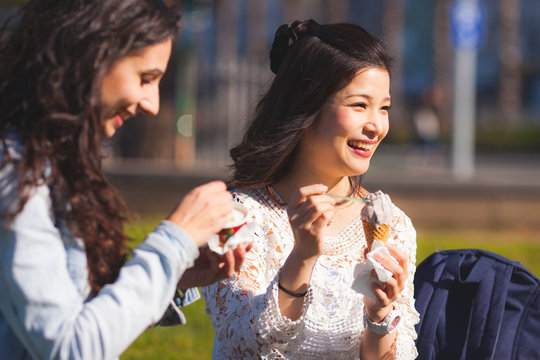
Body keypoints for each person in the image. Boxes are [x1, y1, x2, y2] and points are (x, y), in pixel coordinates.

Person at [0, 1, 247, 358]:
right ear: (91, 55)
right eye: (146, 78)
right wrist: (173, 242)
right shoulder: (13, 173)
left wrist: (172, 275)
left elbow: (74, 308)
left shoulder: (49, 162)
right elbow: (70, 348)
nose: (153, 104)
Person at [202, 19, 419, 359]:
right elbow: (241, 344)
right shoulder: (234, 216)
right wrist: (301, 258)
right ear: (306, 108)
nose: (376, 126)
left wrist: (378, 314)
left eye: (384, 108)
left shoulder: (394, 226)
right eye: (359, 105)